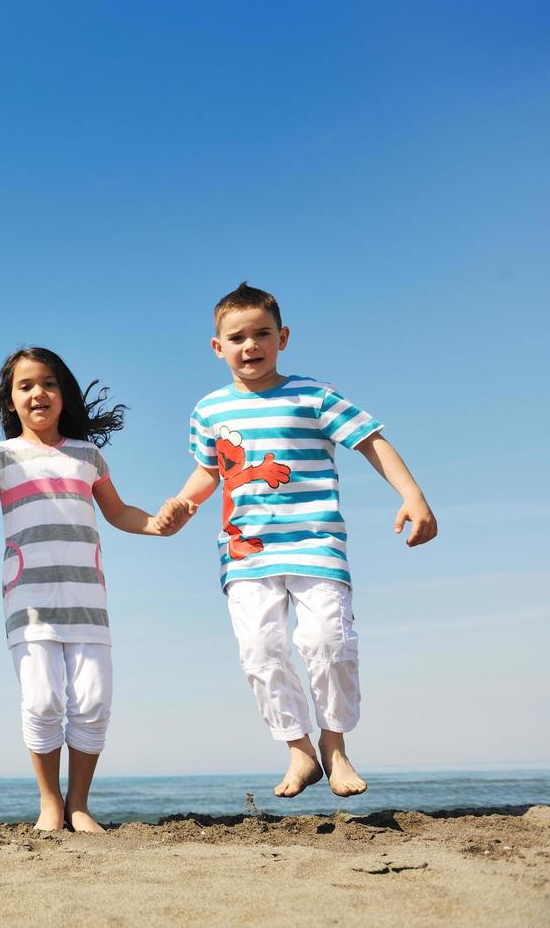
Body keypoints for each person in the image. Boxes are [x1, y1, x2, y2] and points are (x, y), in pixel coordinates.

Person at [168, 282, 437, 798]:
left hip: (316, 544)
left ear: (283, 337)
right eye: (237, 336)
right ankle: (298, 748)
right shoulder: (209, 410)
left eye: (262, 333)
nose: (251, 345)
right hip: (246, 552)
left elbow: (370, 440)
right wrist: (183, 502)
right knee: (261, 649)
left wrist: (412, 495)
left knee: (327, 644)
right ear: (217, 347)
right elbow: (210, 470)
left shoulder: (313, 395)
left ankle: (334, 746)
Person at [0, 347, 188, 832]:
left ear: (64, 394)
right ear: (10, 401)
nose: (39, 392)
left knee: (94, 701)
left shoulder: (87, 455)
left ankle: (78, 805)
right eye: (25, 385)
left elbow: (120, 513)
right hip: (29, 600)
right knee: (42, 702)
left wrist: (160, 526)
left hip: (87, 599)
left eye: (50, 383)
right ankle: (49, 804)